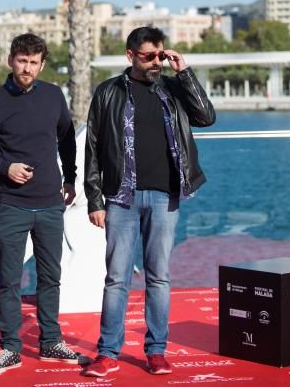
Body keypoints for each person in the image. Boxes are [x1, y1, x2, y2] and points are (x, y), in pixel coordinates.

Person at [82, 26, 215, 377]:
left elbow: (206, 117)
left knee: (158, 278)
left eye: (160, 55)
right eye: (149, 56)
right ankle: (108, 352)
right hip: (120, 197)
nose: (156, 62)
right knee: (116, 279)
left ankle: (156, 350)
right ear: (130, 56)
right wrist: (94, 198)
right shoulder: (108, 92)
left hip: (164, 195)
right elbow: (92, 147)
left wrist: (183, 72)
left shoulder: (172, 89)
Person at [0, 33, 89, 374]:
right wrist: (5, 167)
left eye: (34, 62)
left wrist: (70, 178)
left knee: (51, 277)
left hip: (51, 203)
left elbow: (67, 138)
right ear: (11, 61)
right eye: (22, 61)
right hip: (12, 204)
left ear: (42, 64)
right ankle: (10, 348)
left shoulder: (53, 95)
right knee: (9, 280)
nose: (27, 68)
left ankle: (51, 341)